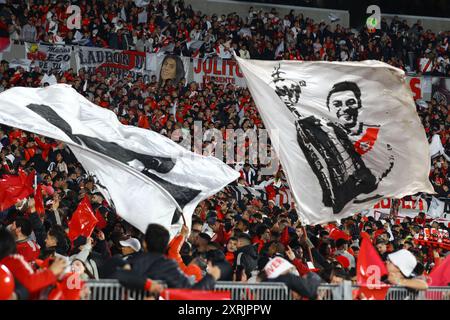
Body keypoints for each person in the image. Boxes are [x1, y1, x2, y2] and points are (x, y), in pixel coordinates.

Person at [130, 223, 221, 289]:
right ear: (166, 244)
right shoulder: (170, 266)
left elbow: (119, 274)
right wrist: (212, 277)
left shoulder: (132, 261)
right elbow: (190, 289)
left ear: (144, 243)